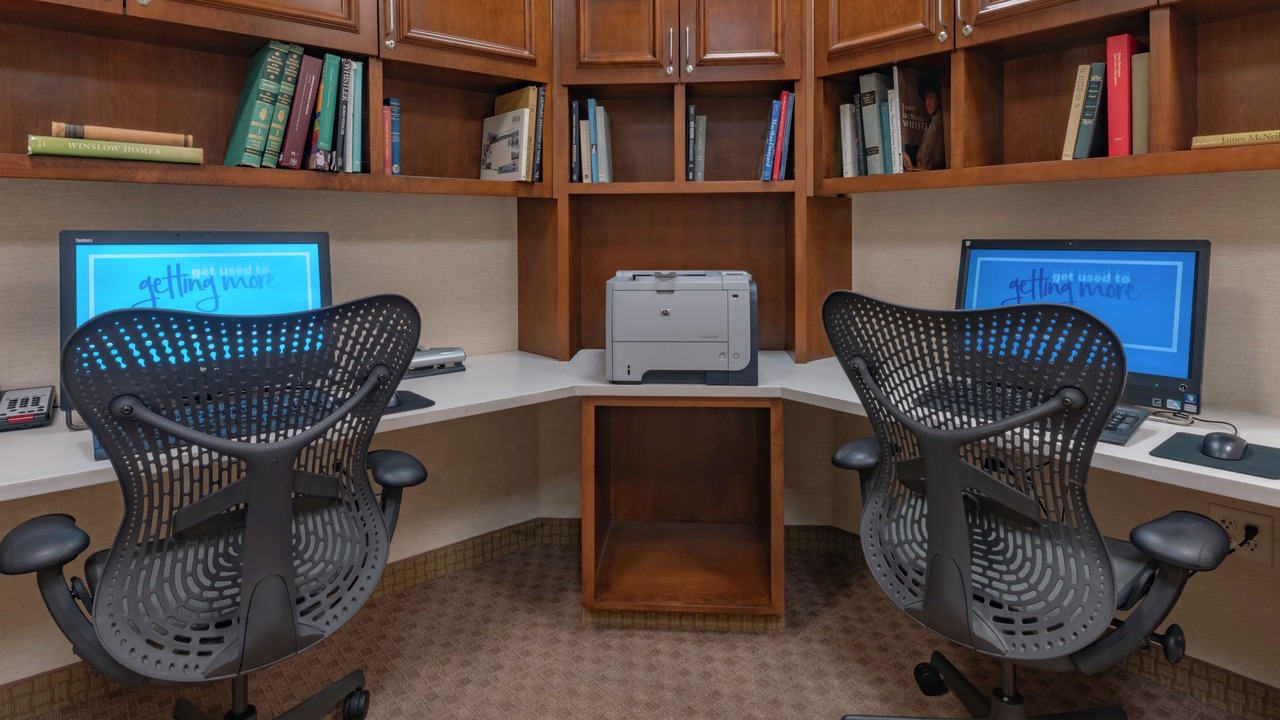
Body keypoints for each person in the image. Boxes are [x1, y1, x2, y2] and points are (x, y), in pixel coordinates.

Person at [906, 75, 945, 171]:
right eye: (926, 98)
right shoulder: (930, 123)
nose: (928, 102)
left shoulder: (939, 122)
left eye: (931, 97)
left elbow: (937, 159)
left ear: (938, 99)